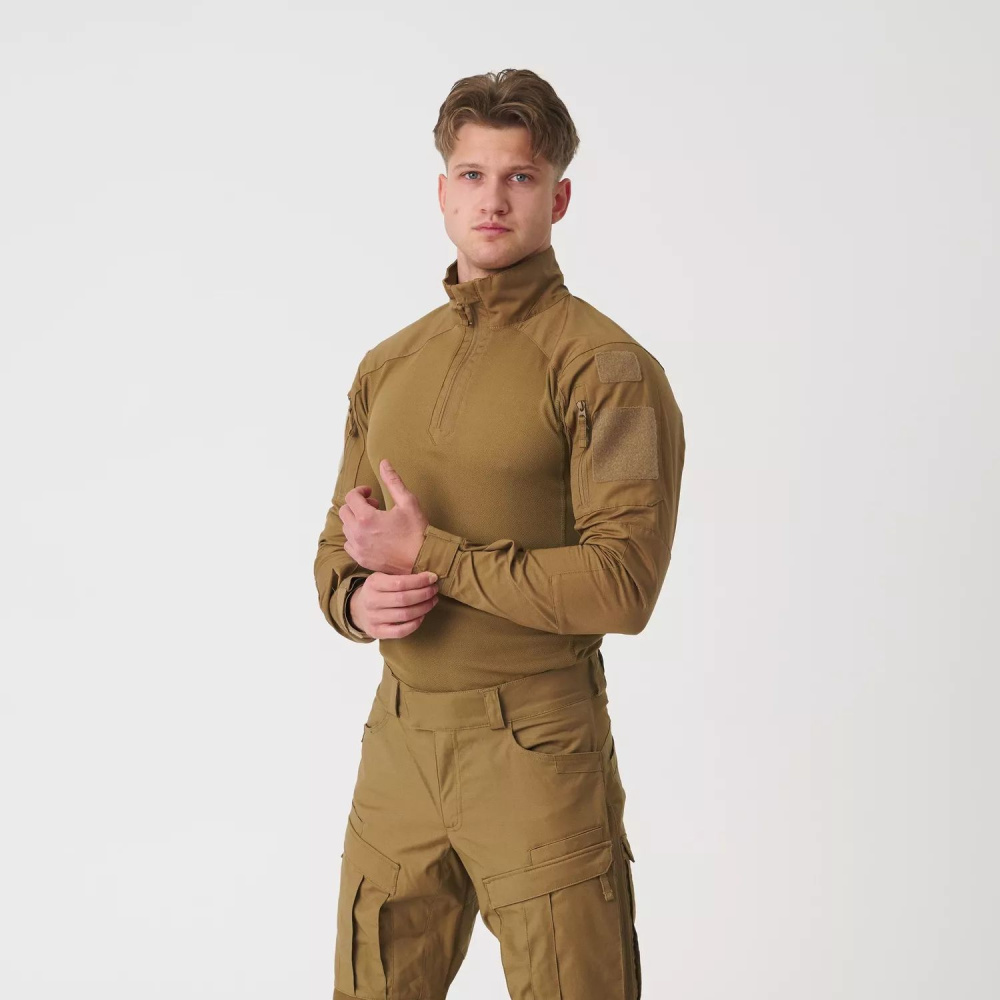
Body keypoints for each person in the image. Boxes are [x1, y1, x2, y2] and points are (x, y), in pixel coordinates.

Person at [313, 67, 685, 1000]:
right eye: (472, 175)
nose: (493, 200)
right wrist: (359, 602)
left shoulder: (607, 369)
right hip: (399, 742)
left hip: (537, 747)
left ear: (558, 197)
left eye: (519, 177)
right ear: (442, 191)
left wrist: (431, 557)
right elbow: (337, 545)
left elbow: (622, 587)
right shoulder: (388, 364)